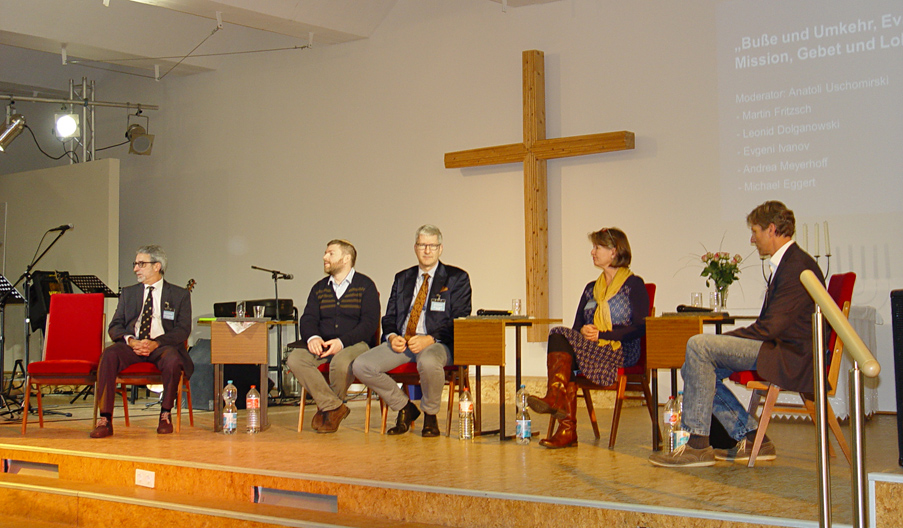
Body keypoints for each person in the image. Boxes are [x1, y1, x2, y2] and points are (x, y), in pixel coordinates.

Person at [649, 200, 824, 467]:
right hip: (779, 346)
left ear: (772, 229)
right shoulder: (792, 262)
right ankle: (753, 437)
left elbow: (770, 327)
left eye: (755, 231)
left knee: (698, 346)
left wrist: (728, 338)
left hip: (787, 354)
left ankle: (697, 445)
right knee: (694, 367)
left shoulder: (797, 266)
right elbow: (771, 325)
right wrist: (729, 338)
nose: (752, 240)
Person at [527, 227, 649, 449]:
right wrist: (583, 333)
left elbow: (640, 328)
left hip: (620, 351)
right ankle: (562, 416)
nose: (592, 252)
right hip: (592, 351)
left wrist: (602, 334)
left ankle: (562, 416)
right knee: (561, 340)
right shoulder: (590, 289)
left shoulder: (634, 285)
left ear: (614, 251)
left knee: (558, 335)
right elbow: (575, 328)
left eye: (597, 247)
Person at [352, 225, 472, 437]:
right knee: (362, 365)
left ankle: (430, 415)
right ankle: (404, 407)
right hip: (403, 342)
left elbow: (460, 319)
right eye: (422, 245)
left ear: (440, 249)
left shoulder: (456, 278)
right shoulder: (402, 278)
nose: (427, 250)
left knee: (427, 361)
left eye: (432, 246)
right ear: (415, 248)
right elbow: (389, 316)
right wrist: (392, 336)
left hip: (439, 343)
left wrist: (430, 338)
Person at [90, 245, 192, 438]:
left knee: (172, 359)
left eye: (141, 264)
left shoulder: (179, 295)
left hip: (162, 347)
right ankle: (105, 419)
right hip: (133, 346)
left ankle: (165, 414)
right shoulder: (128, 293)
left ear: (157, 266)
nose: (136, 268)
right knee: (109, 355)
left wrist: (157, 342)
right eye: (135, 264)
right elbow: (115, 326)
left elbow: (183, 329)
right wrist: (130, 341)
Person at [285, 239, 380, 433]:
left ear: (346, 259)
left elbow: (369, 323)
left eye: (330, 253)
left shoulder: (365, 286)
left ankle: (327, 411)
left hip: (355, 343)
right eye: (325, 253)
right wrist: (313, 338)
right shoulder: (319, 288)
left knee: (341, 362)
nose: (324, 257)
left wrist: (342, 342)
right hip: (323, 343)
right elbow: (308, 318)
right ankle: (334, 407)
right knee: (295, 359)